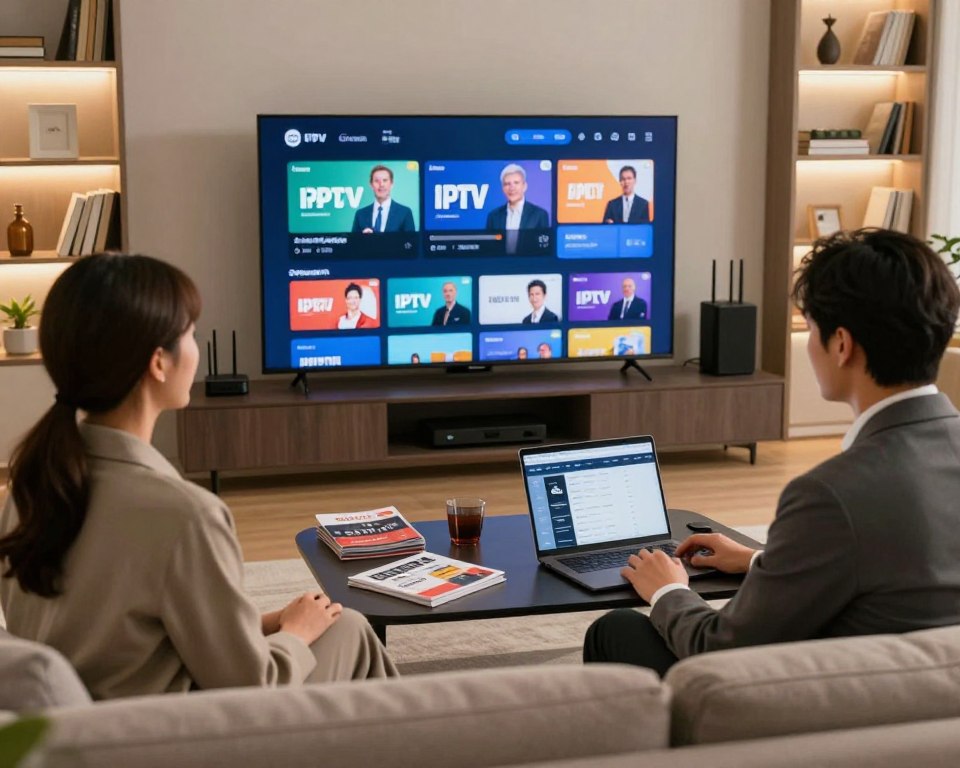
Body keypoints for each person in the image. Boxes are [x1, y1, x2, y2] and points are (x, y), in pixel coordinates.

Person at [0, 254, 397, 700]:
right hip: (180, 738)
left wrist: (272, 623)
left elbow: (127, 633)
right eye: (190, 333)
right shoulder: (187, 515)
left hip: (86, 732)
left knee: (330, 625)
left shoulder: (30, 489)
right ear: (158, 363)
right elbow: (253, 686)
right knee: (352, 628)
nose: (196, 345)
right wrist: (296, 635)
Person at [583, 228, 960, 676]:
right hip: (931, 700)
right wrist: (763, 561)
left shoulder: (829, 494)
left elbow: (720, 651)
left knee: (617, 628)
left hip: (837, 706)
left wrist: (668, 590)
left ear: (841, 344)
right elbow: (900, 568)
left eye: (812, 327)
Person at [485, 164, 549, 255]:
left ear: (524, 186)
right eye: (507, 184)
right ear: (503, 188)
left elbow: (544, 250)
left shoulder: (539, 214)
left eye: (516, 183)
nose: (512, 188)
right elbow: (489, 250)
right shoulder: (493, 216)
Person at [351, 164, 416, 234]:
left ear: (391, 184)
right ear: (371, 184)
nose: (381, 184)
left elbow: (411, 242)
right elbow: (353, 243)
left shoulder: (405, 212)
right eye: (376, 181)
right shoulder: (360, 214)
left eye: (385, 180)